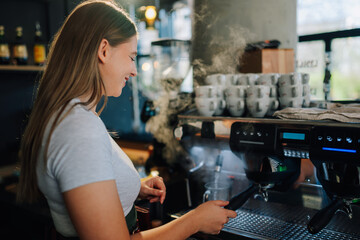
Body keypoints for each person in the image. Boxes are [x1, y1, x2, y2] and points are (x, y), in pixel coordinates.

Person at [17, 1, 237, 239]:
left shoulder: (69, 115)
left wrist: (130, 187)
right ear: (103, 50)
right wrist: (194, 221)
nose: (134, 71)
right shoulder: (78, 129)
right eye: (131, 57)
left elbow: (85, 184)